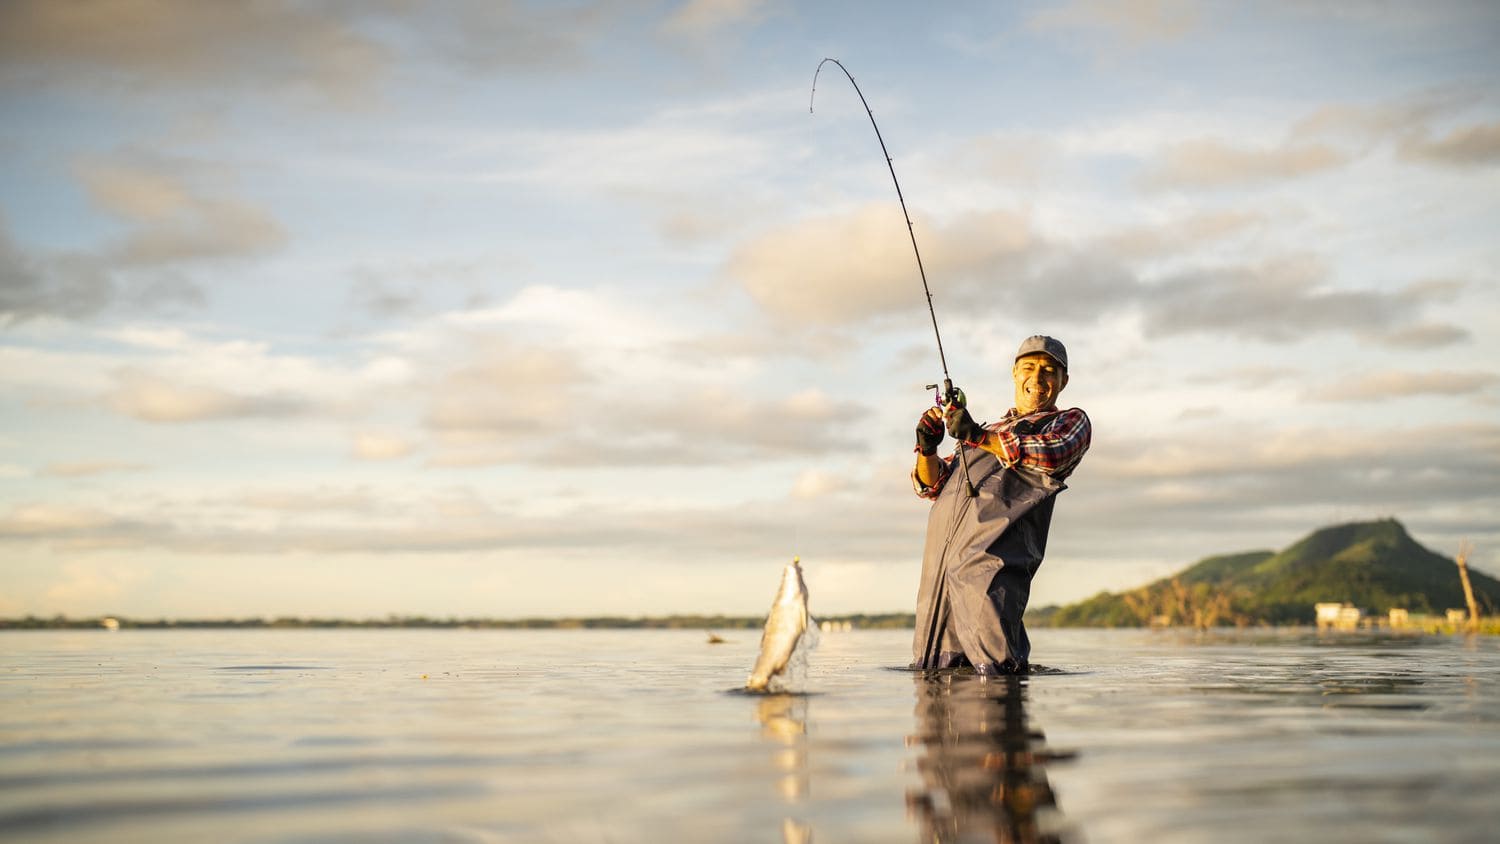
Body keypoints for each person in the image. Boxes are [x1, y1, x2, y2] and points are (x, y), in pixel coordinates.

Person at [910, 335, 1091, 674]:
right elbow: (930, 485)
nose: (1037, 379)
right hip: (938, 588)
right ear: (1014, 373)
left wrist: (976, 434)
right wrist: (928, 447)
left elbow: (1053, 453)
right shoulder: (987, 432)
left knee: (995, 683)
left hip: (990, 583)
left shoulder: (1068, 422)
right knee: (931, 686)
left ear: (1063, 381)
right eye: (1029, 368)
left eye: (1049, 371)